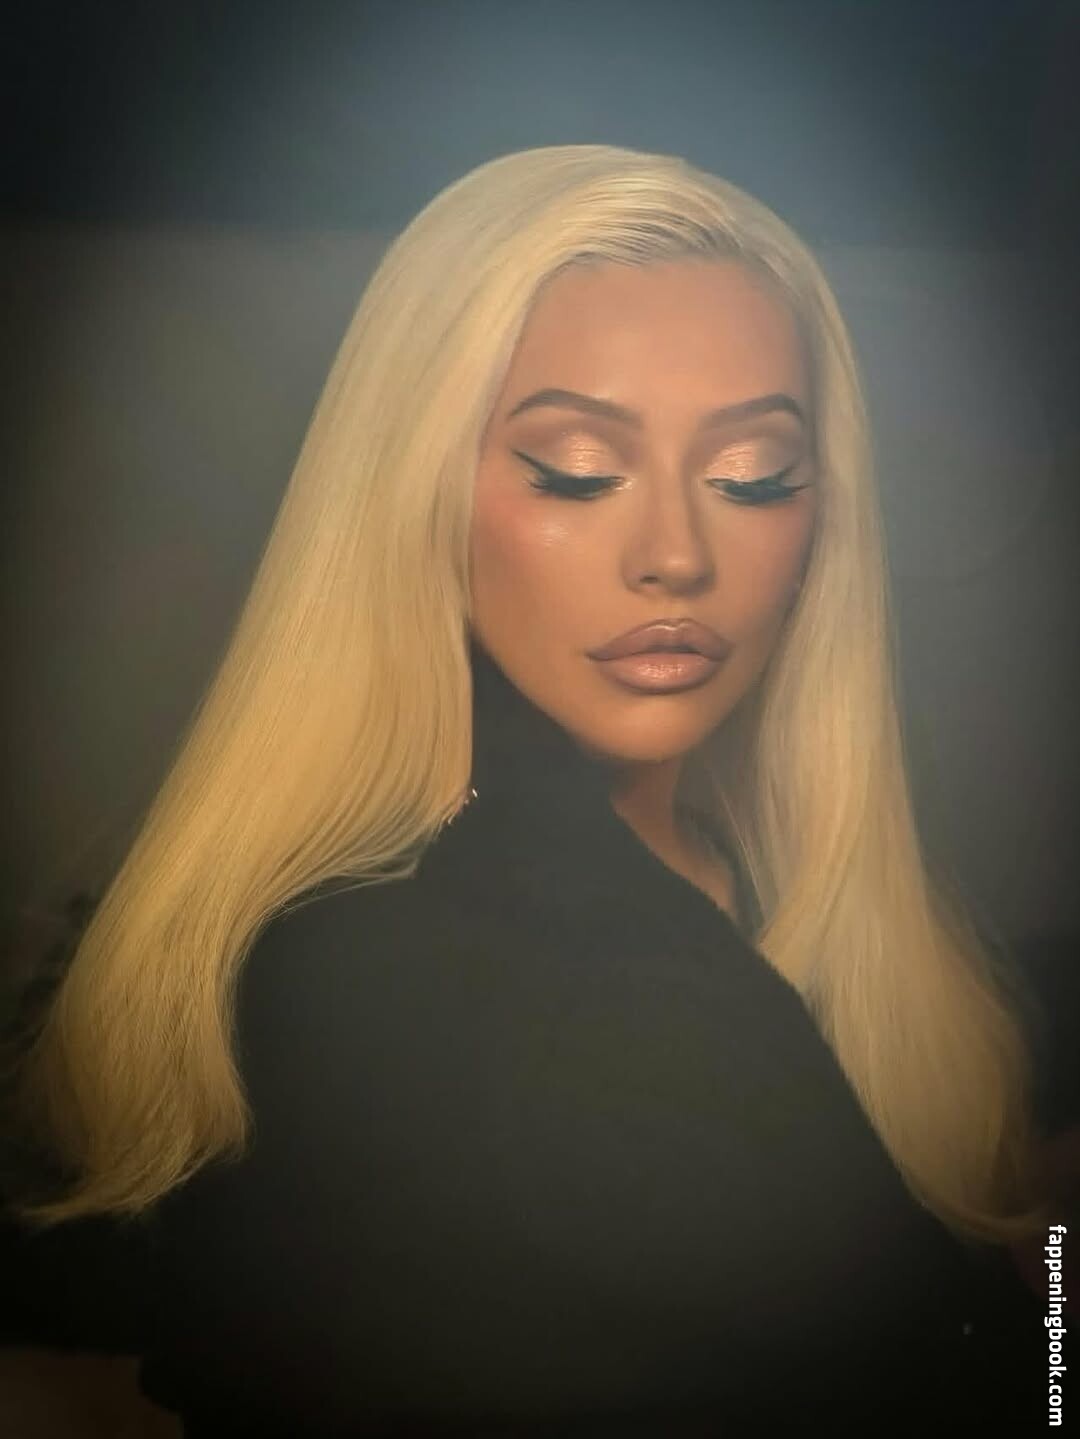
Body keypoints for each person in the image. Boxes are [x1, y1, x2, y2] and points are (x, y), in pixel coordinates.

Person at [1, 144, 1062, 1434]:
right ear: (419, 496)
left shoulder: (764, 884)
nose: (675, 554)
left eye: (752, 476)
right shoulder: (406, 978)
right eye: (575, 468)